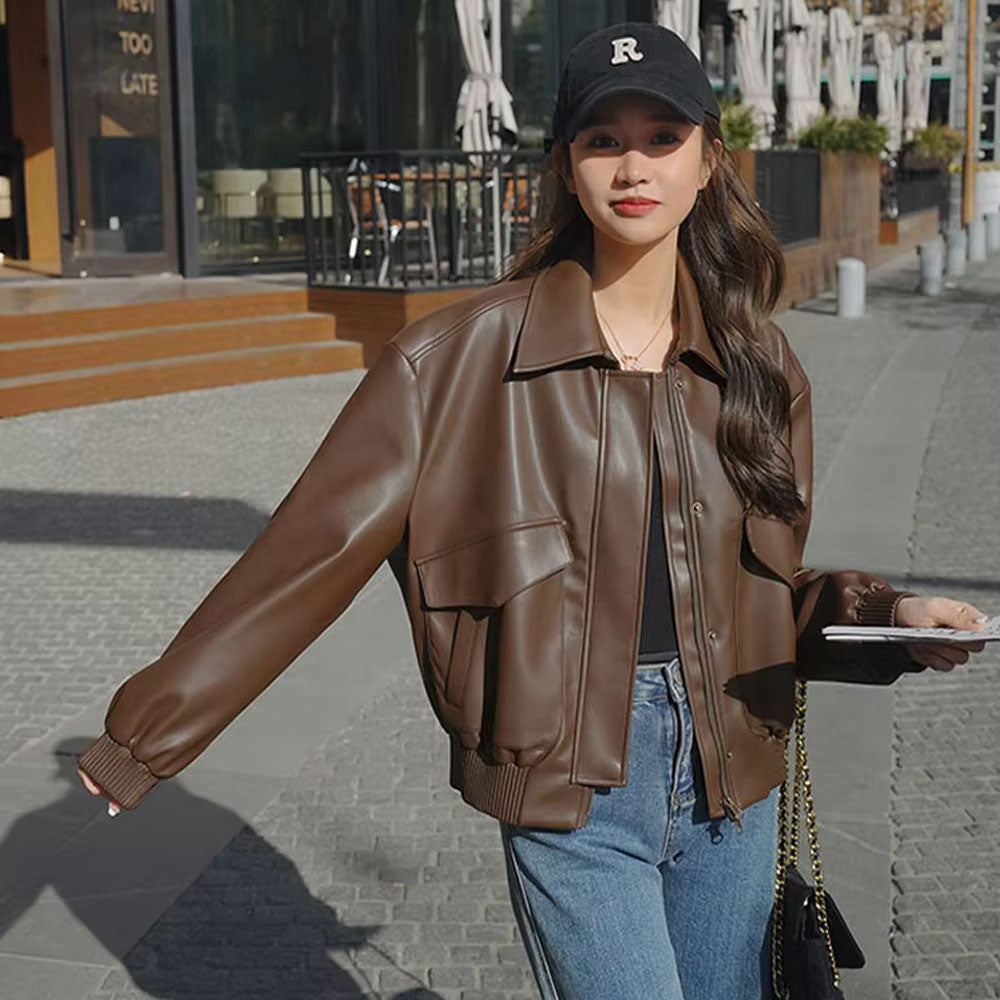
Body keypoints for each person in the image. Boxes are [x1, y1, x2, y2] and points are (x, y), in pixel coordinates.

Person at [77, 21, 988, 1000]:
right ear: (565, 164)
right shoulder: (452, 362)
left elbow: (760, 595)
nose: (632, 165)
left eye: (663, 136)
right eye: (603, 139)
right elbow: (310, 552)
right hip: (570, 788)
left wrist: (890, 617)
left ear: (708, 162)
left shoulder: (760, 366)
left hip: (736, 771)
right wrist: (143, 738)